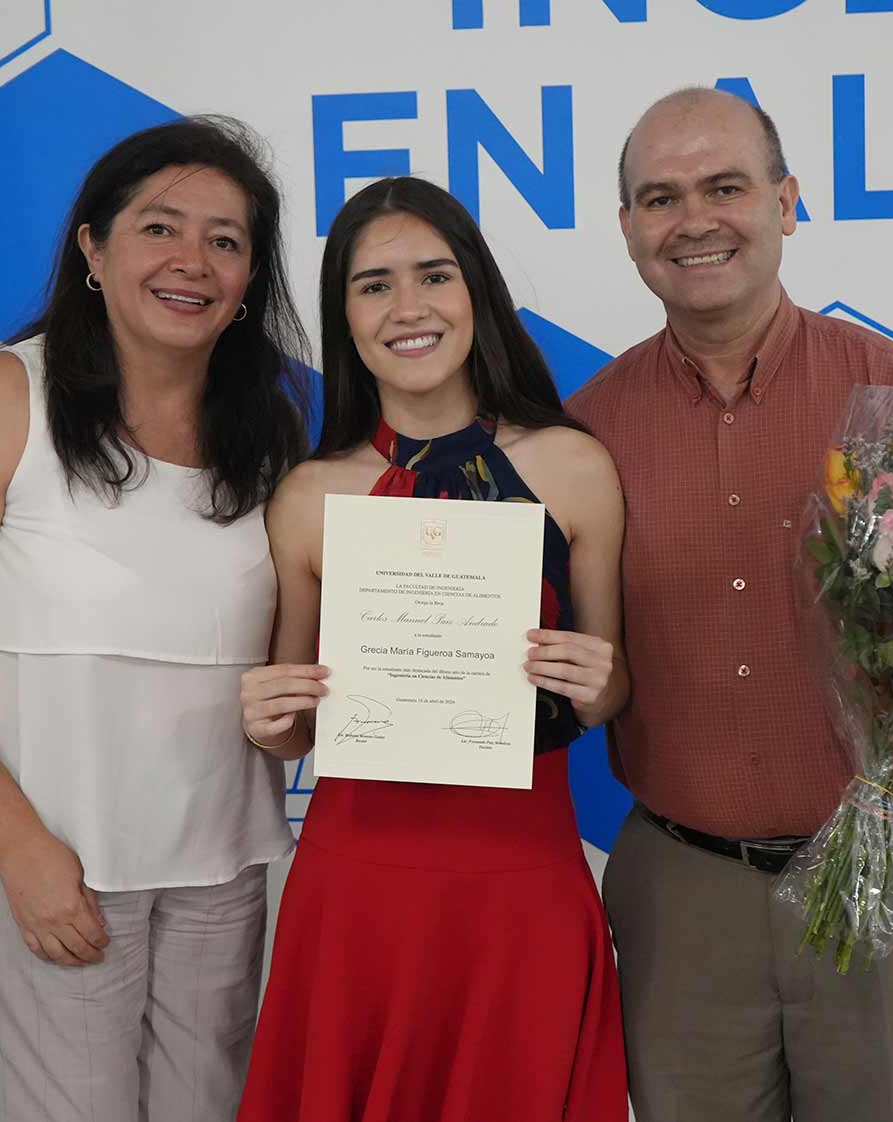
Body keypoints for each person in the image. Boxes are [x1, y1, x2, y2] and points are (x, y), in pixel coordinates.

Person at [567, 88, 893, 1122]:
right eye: (659, 198)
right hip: (682, 897)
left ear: (787, 202)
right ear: (629, 228)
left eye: (726, 186)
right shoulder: (581, 433)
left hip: (879, 861)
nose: (694, 220)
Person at [0, 118, 311, 1122]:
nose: (192, 261)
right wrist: (21, 851)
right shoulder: (1, 396)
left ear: (249, 281)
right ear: (92, 249)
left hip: (222, 874)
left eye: (227, 241)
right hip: (49, 867)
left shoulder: (272, 434)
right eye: (160, 227)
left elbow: (282, 682)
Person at [235, 176, 630, 1122]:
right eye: (373, 285)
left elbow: (608, 693)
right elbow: (292, 734)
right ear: (343, 315)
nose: (406, 307)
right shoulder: (307, 493)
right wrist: (271, 719)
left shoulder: (576, 466)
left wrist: (599, 682)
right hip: (356, 885)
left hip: (520, 881)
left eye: (433, 275)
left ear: (477, 294)